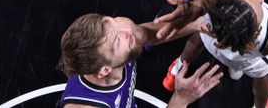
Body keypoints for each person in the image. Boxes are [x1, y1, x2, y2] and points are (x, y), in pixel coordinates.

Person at [58, 12, 223, 108]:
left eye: (113, 23)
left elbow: (150, 34)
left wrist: (199, 23)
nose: (127, 32)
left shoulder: (119, 31)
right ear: (105, 70)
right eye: (117, 40)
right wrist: (180, 100)